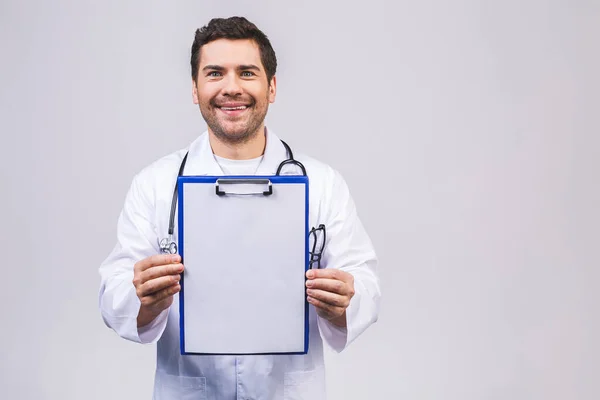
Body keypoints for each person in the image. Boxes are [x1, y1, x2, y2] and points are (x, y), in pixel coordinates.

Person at [98, 16, 380, 400]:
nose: (231, 88)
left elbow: (363, 284)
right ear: (195, 89)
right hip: (191, 389)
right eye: (215, 73)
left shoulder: (323, 183)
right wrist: (144, 298)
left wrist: (344, 301)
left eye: (247, 73)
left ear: (272, 87)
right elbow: (115, 293)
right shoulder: (155, 184)